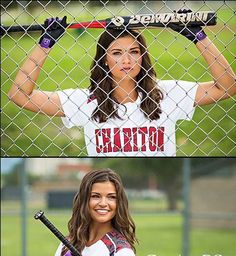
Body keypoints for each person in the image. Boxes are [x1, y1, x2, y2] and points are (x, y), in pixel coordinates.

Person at [8, 11, 236, 157]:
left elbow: (227, 87)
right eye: (117, 53)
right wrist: (45, 44)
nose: (127, 60)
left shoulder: (167, 93)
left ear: (142, 57)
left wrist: (199, 38)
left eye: (133, 52)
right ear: (104, 60)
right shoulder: (85, 101)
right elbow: (19, 95)